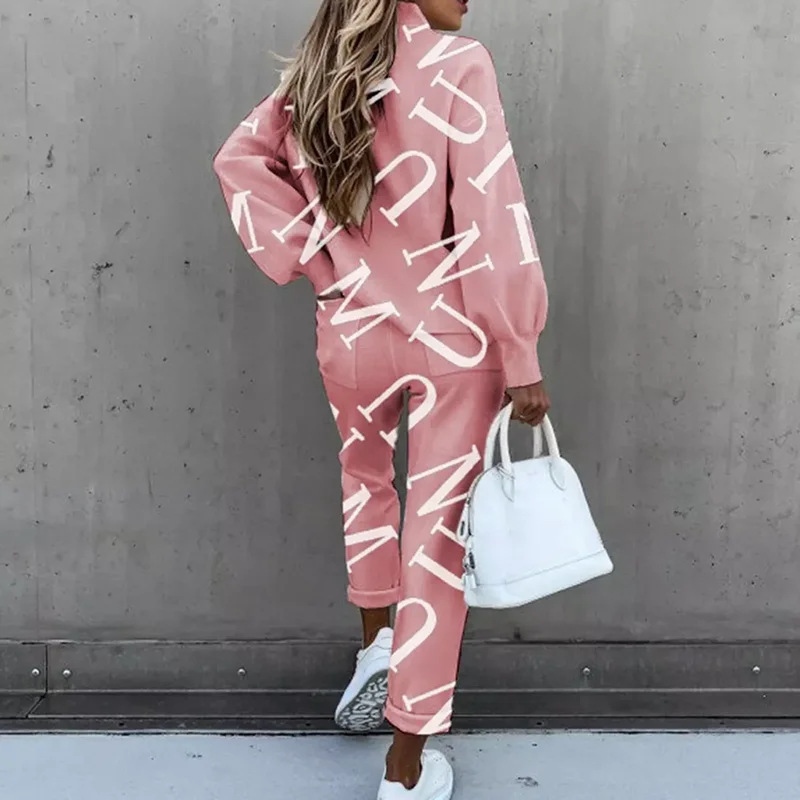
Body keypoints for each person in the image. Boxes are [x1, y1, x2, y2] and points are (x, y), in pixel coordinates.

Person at [212, 1, 550, 797]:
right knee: (436, 537)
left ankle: (376, 645)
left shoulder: (316, 76)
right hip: (449, 336)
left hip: (350, 329)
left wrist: (316, 259)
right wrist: (520, 347)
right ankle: (407, 764)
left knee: (365, 481)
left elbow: (237, 161)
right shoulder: (460, 65)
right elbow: (492, 213)